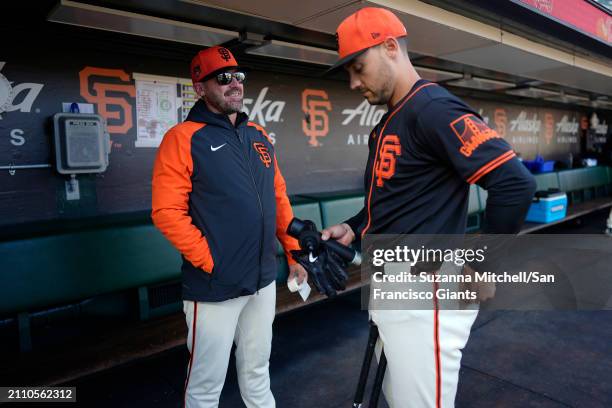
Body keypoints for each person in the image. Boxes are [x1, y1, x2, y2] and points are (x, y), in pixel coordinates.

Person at [322, 8, 536, 408]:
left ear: (390, 48)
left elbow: (514, 183)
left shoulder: (433, 107)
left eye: (358, 67)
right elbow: (392, 200)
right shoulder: (386, 123)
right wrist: (353, 228)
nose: (352, 82)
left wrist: (482, 266)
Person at [151, 45, 306, 408]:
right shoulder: (183, 137)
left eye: (239, 76)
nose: (234, 83)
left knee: (257, 369)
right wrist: (211, 261)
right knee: (206, 384)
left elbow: (278, 200)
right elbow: (166, 212)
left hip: (262, 279)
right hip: (214, 285)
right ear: (200, 87)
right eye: (223, 77)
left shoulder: (258, 134)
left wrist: (294, 252)